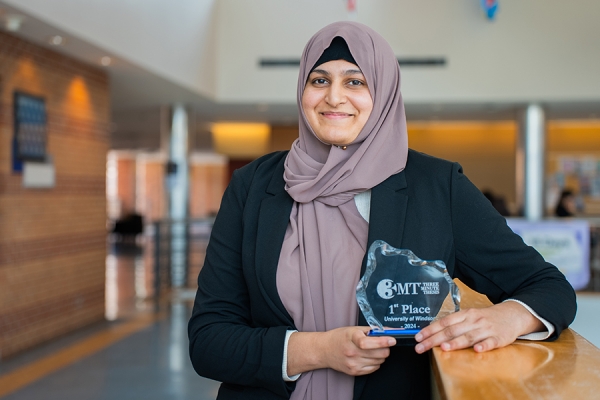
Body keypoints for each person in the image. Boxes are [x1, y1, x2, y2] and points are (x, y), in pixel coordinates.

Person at [188, 22, 576, 400]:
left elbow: (549, 287)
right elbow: (209, 340)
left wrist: (505, 319)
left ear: (385, 91)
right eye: (319, 80)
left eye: (355, 82)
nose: (334, 97)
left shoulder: (437, 186)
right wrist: (319, 351)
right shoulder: (254, 186)